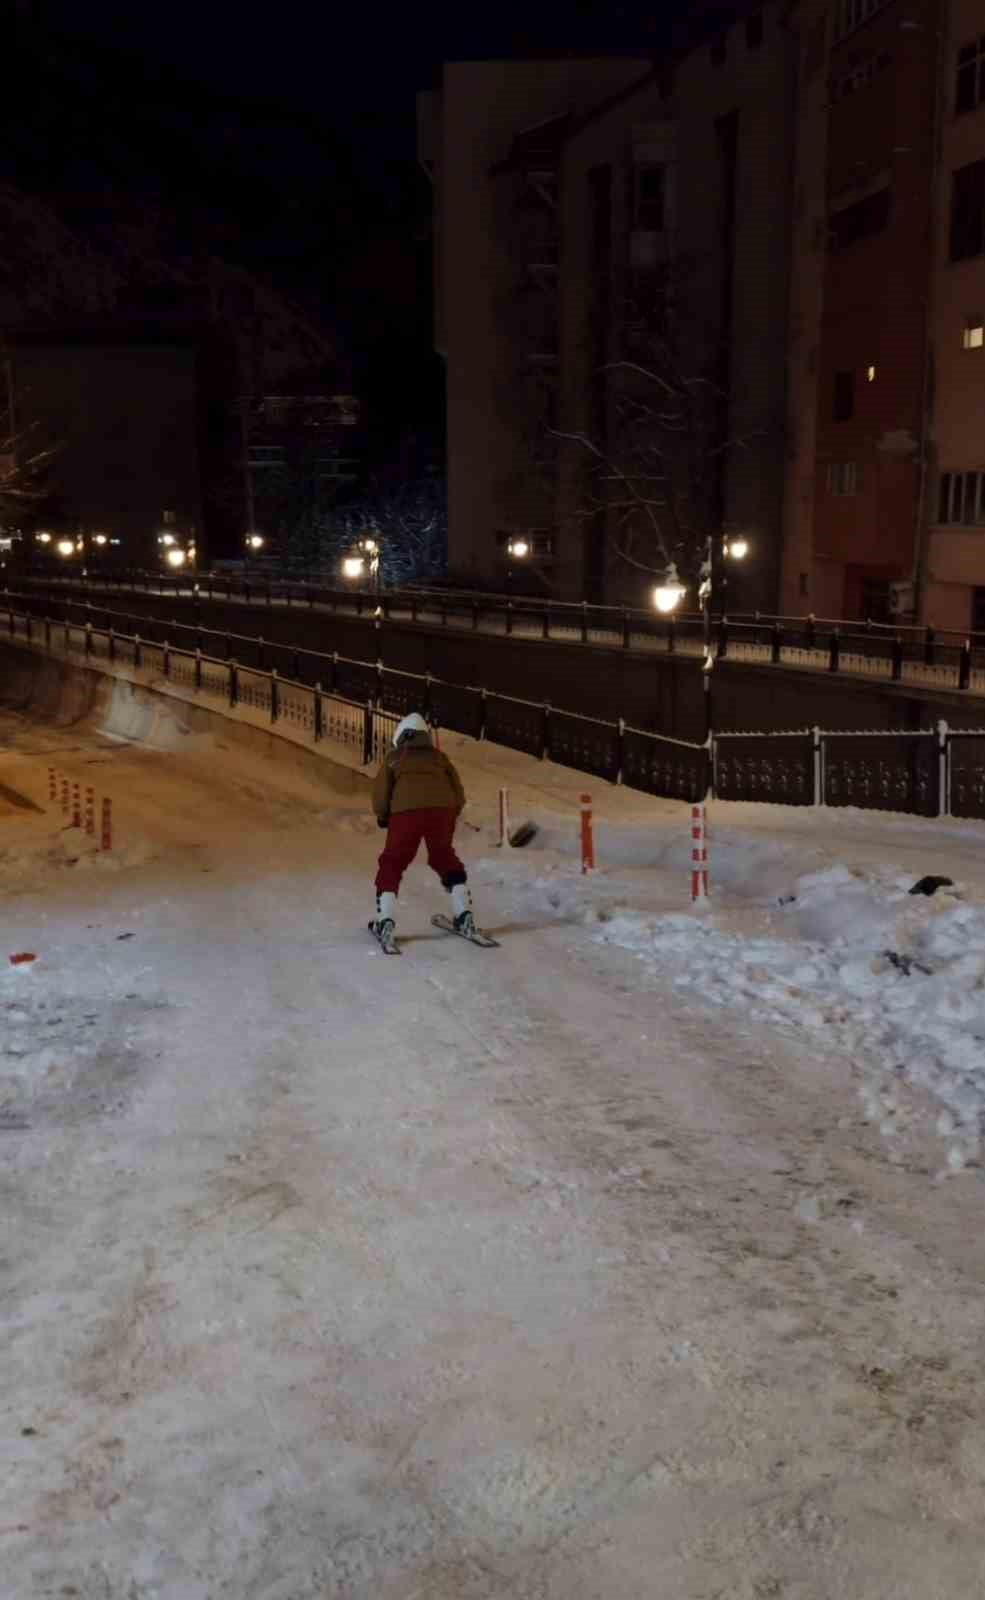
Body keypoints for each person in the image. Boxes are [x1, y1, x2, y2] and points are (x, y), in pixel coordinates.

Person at [370, 712, 476, 942]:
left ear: (401, 735)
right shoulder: (440, 758)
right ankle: (464, 913)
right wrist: (450, 814)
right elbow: (457, 792)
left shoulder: (394, 758)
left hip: (406, 814)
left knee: (393, 861)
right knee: (443, 856)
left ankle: (385, 920)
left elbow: (380, 795)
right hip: (442, 811)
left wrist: (383, 816)